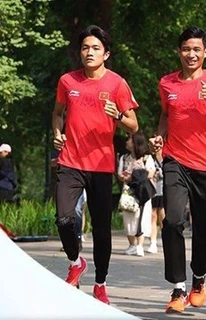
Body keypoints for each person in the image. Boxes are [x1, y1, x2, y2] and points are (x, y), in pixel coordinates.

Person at [151, 26, 206, 314]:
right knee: (173, 221)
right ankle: (178, 287)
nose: (191, 54)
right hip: (175, 160)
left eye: (196, 49)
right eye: (186, 49)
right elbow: (166, 114)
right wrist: (159, 136)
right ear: (179, 52)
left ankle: (198, 279)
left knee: (203, 228)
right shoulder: (167, 83)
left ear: (205, 52)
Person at [52, 25, 139, 304]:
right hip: (70, 161)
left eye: (95, 48)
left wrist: (118, 116)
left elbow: (133, 126)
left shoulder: (117, 84)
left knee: (102, 229)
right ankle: (76, 261)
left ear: (106, 53)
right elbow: (57, 114)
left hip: (101, 165)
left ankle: (100, 284)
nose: (89, 52)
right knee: (64, 218)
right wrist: (57, 133)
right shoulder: (67, 81)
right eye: (85, 48)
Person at [117, 132, 155, 257]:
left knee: (142, 217)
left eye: (129, 139)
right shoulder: (124, 158)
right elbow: (120, 174)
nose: (127, 142)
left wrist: (133, 176)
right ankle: (132, 244)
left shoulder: (146, 158)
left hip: (142, 192)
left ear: (134, 142)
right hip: (128, 192)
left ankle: (139, 245)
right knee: (128, 217)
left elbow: (151, 172)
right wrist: (125, 177)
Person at [148, 144, 165, 254]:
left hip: (164, 190)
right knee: (153, 216)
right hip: (153, 191)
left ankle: (166, 240)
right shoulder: (150, 159)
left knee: (163, 217)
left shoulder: (165, 158)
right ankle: (152, 242)